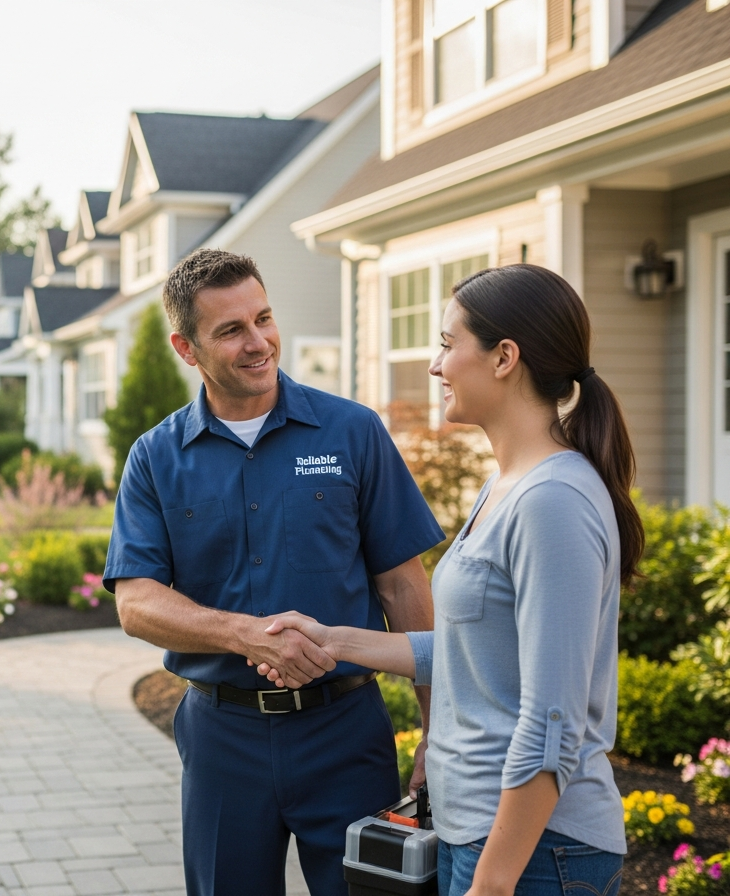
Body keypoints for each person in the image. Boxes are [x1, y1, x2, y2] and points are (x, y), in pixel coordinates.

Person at [260, 264, 638, 895]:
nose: (435, 367)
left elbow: (553, 724)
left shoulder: (552, 501)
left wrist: (490, 884)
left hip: (537, 855)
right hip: (488, 840)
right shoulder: (506, 485)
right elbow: (473, 651)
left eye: (446, 343)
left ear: (504, 358)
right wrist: (331, 641)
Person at [102, 248, 444, 896]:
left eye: (263, 318)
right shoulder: (155, 457)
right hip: (222, 736)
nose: (258, 342)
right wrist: (244, 635)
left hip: (345, 733)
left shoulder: (353, 432)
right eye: (231, 330)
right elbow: (136, 603)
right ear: (187, 347)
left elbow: (403, 585)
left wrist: (437, 729)